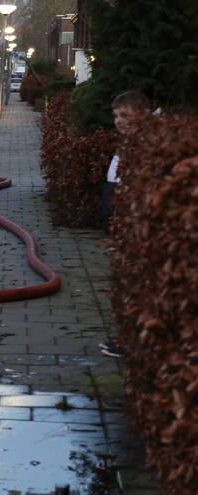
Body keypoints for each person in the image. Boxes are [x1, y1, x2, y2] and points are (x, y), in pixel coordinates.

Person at [98, 89, 151, 358]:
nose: (119, 120)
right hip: (123, 226)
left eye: (126, 115)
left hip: (137, 231)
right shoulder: (129, 143)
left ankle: (134, 342)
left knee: (138, 289)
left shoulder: (145, 145)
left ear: (143, 114)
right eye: (116, 115)